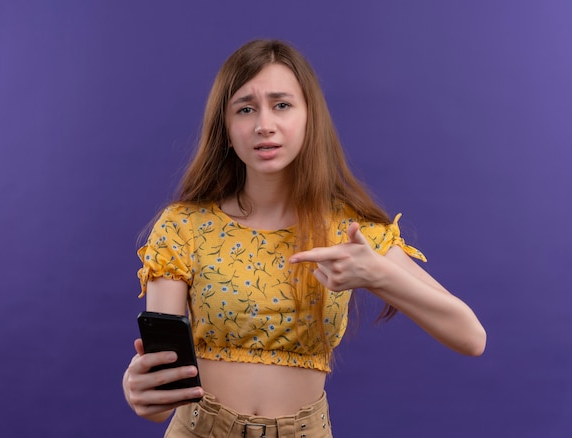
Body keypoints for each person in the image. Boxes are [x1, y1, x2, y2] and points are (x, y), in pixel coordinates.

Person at [122, 39, 486, 437]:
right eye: (245, 109)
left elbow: (471, 336)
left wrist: (377, 274)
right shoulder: (183, 227)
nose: (265, 124)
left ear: (310, 118)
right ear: (226, 130)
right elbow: (160, 399)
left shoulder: (349, 233)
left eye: (282, 105)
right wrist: (139, 389)